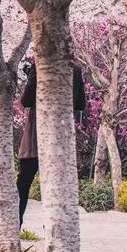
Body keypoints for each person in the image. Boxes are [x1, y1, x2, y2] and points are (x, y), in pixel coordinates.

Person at [16, 57, 86, 224]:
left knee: (23, 183)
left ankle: (16, 222)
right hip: (62, 138)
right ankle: (57, 226)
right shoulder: (75, 70)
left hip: (37, 136)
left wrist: (32, 75)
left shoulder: (39, 67)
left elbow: (25, 100)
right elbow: (81, 104)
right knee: (59, 186)